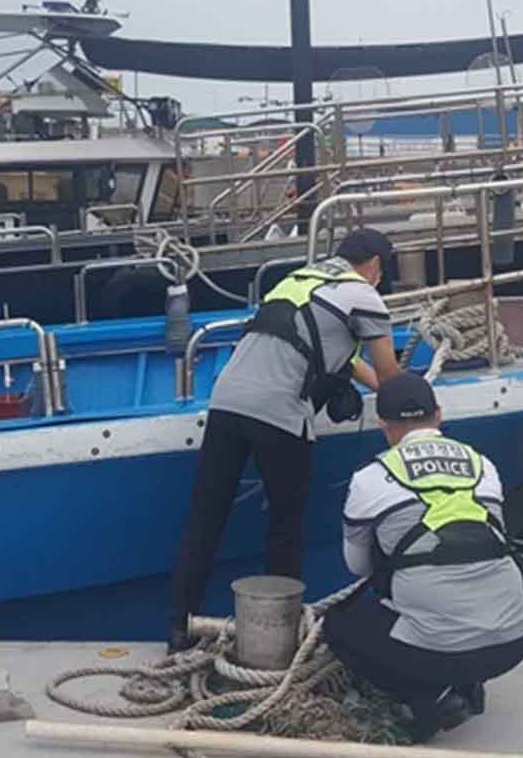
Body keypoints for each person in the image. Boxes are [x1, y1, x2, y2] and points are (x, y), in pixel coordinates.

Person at [167, 228, 403, 650]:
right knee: (284, 527)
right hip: (278, 414)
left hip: (226, 402)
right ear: (375, 266)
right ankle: (277, 639)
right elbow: (388, 374)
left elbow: (336, 356)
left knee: (205, 521)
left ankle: (178, 630)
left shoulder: (298, 280)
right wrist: (415, 401)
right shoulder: (364, 295)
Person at [322, 372, 523, 744]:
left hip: (437, 652)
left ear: (384, 426)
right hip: (516, 643)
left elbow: (357, 567)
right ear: (438, 415)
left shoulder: (371, 477)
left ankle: (434, 699)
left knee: (339, 628)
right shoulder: (484, 466)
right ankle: (468, 683)